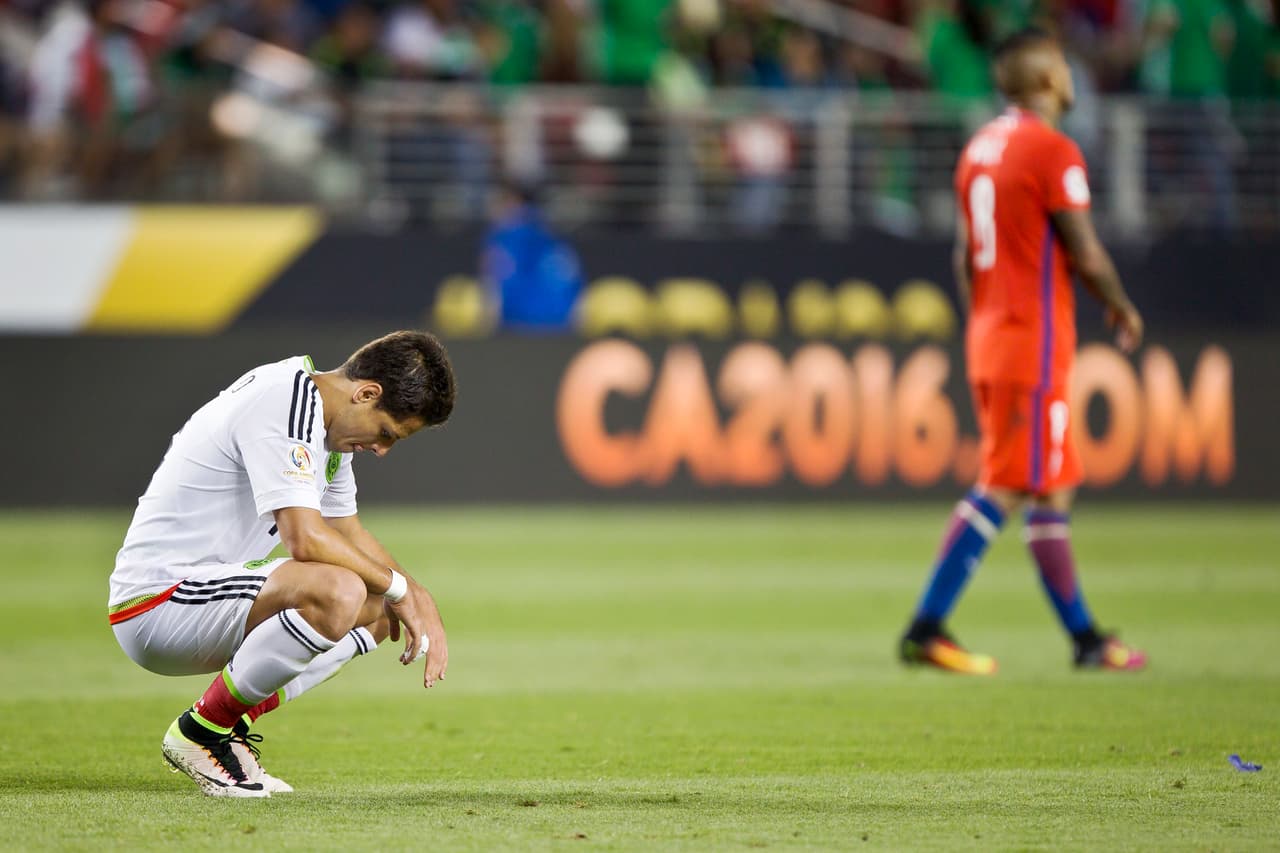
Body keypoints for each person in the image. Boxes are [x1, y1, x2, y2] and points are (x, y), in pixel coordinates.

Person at [108, 330, 456, 796]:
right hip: (157, 602)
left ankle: (224, 729)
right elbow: (306, 540)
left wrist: (413, 594)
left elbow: (347, 532)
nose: (382, 450)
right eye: (386, 433)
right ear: (366, 393)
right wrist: (397, 587)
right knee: (340, 590)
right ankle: (200, 733)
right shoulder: (286, 402)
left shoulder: (324, 428)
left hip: (205, 598)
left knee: (378, 611)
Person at [898, 28, 1148, 675]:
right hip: (1029, 342)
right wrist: (1118, 303)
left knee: (1050, 486)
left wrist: (985, 320)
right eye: (1063, 65)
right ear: (1044, 78)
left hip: (993, 332)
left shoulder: (979, 148)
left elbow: (963, 257)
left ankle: (1086, 640)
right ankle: (927, 626)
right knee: (1009, 482)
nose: (1070, 77)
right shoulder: (1051, 150)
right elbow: (1086, 252)